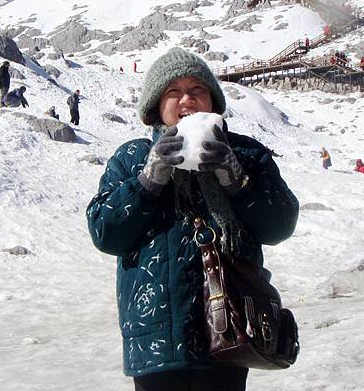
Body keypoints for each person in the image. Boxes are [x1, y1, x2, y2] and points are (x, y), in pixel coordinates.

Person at [86, 48, 299, 391]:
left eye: (197, 89)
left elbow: (280, 225)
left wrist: (236, 178)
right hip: (156, 340)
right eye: (173, 91)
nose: (186, 99)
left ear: (212, 101)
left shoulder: (245, 153)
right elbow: (106, 233)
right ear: (156, 106)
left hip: (231, 329)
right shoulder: (132, 157)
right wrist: (150, 177)